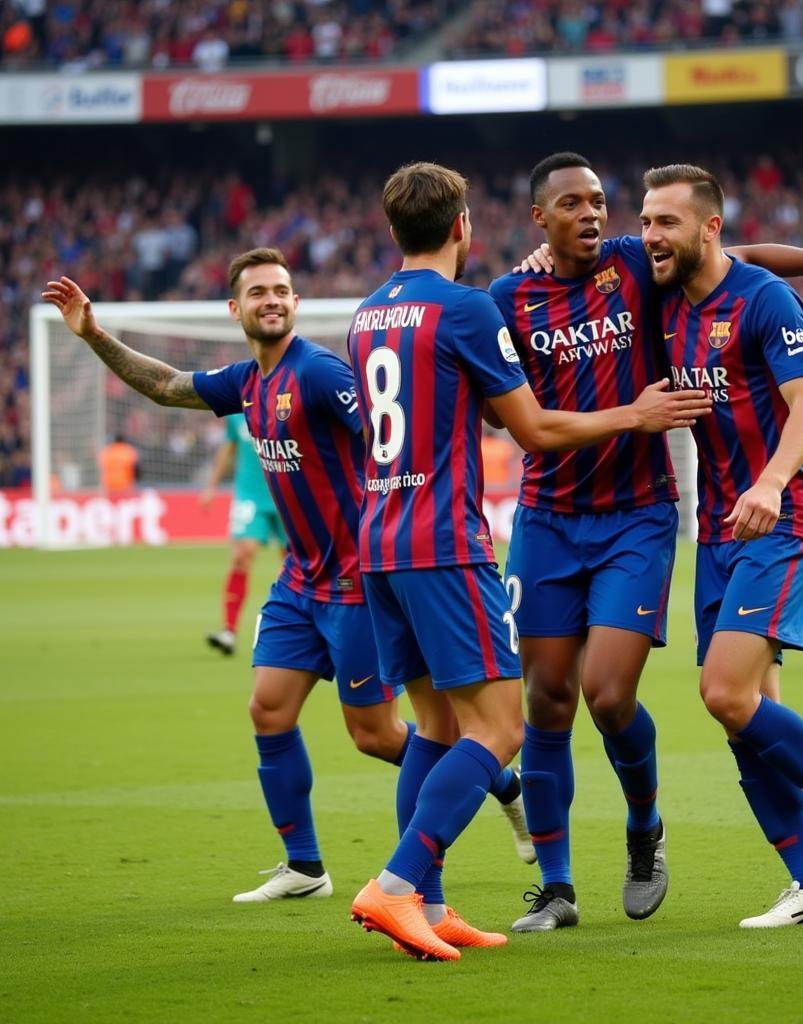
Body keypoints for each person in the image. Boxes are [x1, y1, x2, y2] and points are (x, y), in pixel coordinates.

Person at [41, 249, 534, 907]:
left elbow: (394, 431)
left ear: (296, 303)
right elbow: (167, 385)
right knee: (267, 709)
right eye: (258, 292)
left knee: (375, 736)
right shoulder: (247, 382)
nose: (272, 299)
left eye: (281, 290)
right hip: (300, 583)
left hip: (360, 582)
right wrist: (95, 334)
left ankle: (498, 781)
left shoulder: (324, 374)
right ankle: (305, 865)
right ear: (236, 309)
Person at [488, 151, 803, 933]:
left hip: (728, 513)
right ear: (541, 217)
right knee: (704, 709)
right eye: (637, 218)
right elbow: (723, 259)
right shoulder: (598, 294)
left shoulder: (697, 284)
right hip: (673, 526)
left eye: (625, 209)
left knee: (686, 694)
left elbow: (751, 289)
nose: (628, 227)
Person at [346, 161, 710, 961]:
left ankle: (440, 901)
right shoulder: (488, 304)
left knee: (468, 722)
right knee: (518, 718)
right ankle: (428, 884)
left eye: (598, 203)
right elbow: (533, 430)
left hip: (393, 538)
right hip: (470, 535)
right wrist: (639, 413)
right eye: (571, 204)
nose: (591, 215)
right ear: (470, 227)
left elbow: (724, 258)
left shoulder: (368, 316)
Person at [640, 162, 803, 928]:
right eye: (646, 221)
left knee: (723, 691)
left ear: (707, 228)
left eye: (666, 222)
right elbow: (747, 249)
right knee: (741, 711)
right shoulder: (669, 295)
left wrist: (773, 481)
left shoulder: (762, 299)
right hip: (717, 528)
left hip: (782, 518)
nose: (650, 235)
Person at [200, 413, 287, 655]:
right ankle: (228, 630)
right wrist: (211, 487)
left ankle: (296, 628)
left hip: (287, 494)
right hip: (249, 496)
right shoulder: (237, 413)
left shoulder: (285, 402)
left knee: (294, 565)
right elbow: (228, 450)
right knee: (242, 556)